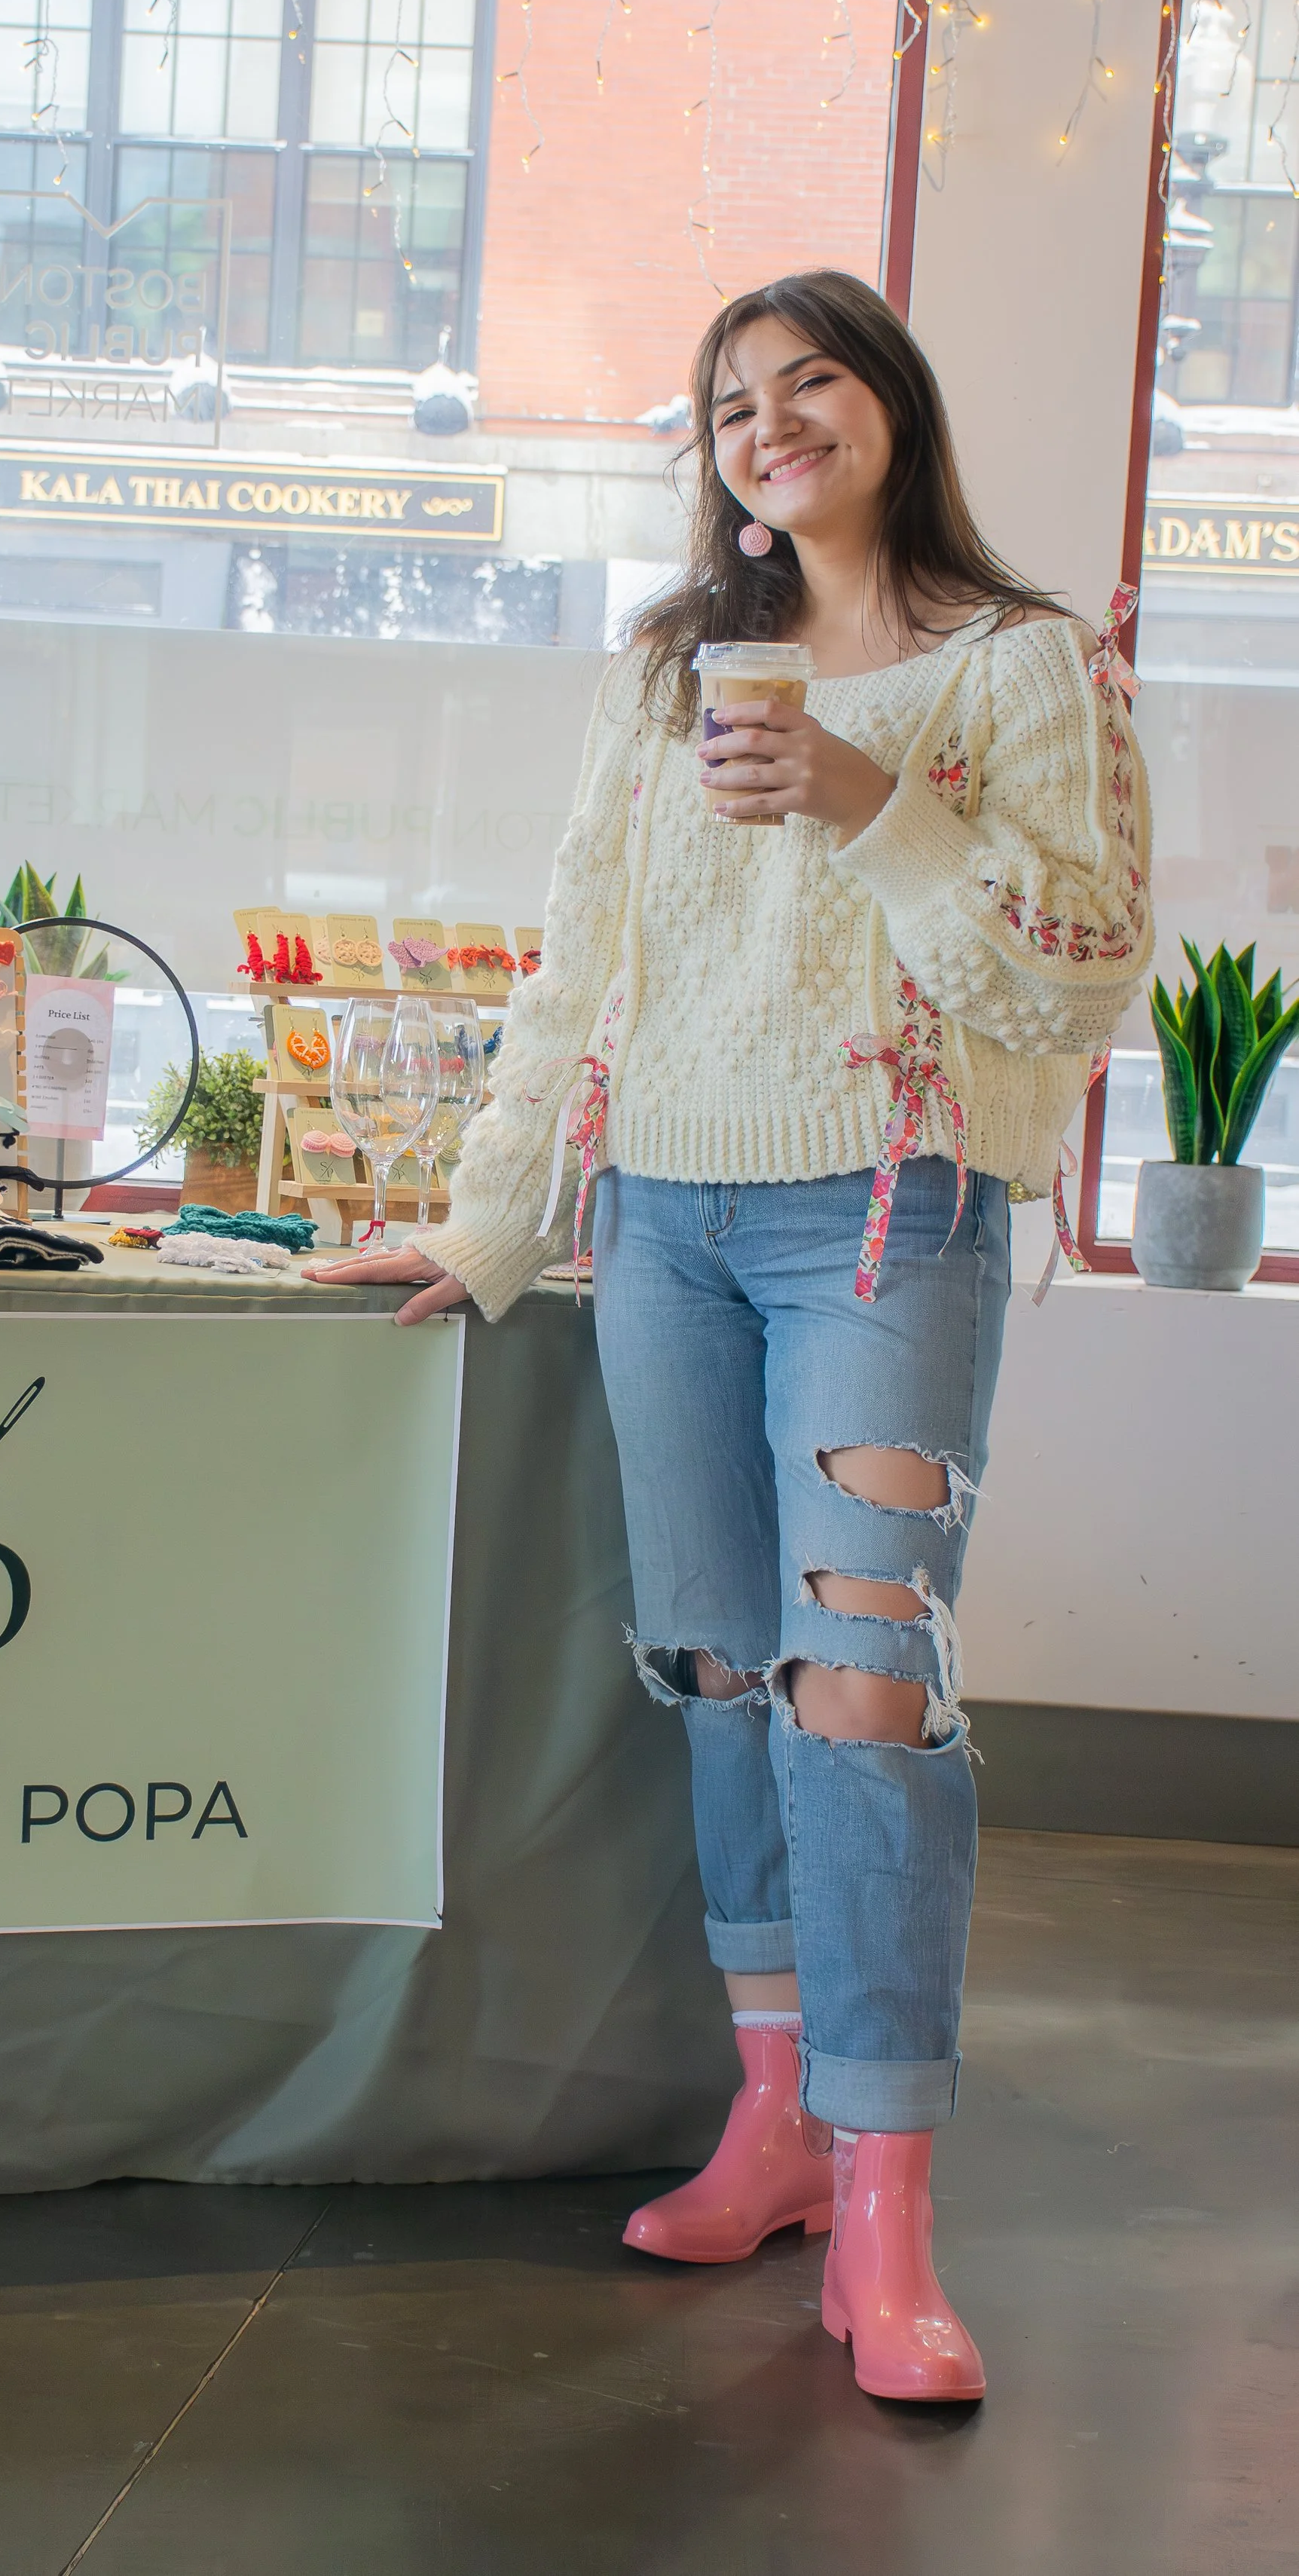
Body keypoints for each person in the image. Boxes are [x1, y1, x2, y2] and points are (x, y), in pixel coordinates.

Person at [307, 269, 1151, 2403]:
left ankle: (886, 2202)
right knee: (713, 1660)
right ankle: (774, 2121)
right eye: (727, 402)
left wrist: (869, 795)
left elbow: (1076, 977)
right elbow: (584, 942)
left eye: (807, 382)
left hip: (891, 1202)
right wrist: (496, 1220)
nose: (765, 422)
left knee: (860, 1685)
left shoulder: (1026, 664)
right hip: (659, 1214)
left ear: (888, 405)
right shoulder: (669, 669)